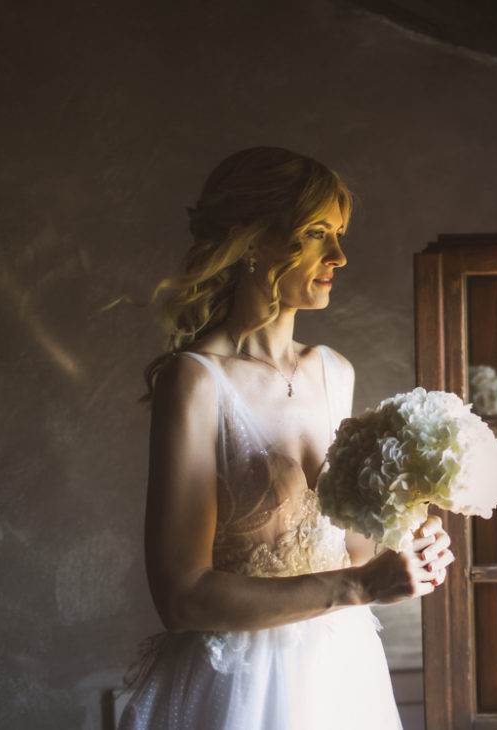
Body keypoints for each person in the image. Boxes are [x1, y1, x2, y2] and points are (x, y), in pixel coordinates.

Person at [117, 146, 454, 729]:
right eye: (317, 233)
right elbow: (181, 597)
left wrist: (406, 545)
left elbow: (352, 551)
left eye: (340, 234)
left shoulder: (334, 372)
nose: (340, 256)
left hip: (342, 676)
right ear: (249, 239)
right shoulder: (197, 382)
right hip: (240, 688)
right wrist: (356, 586)